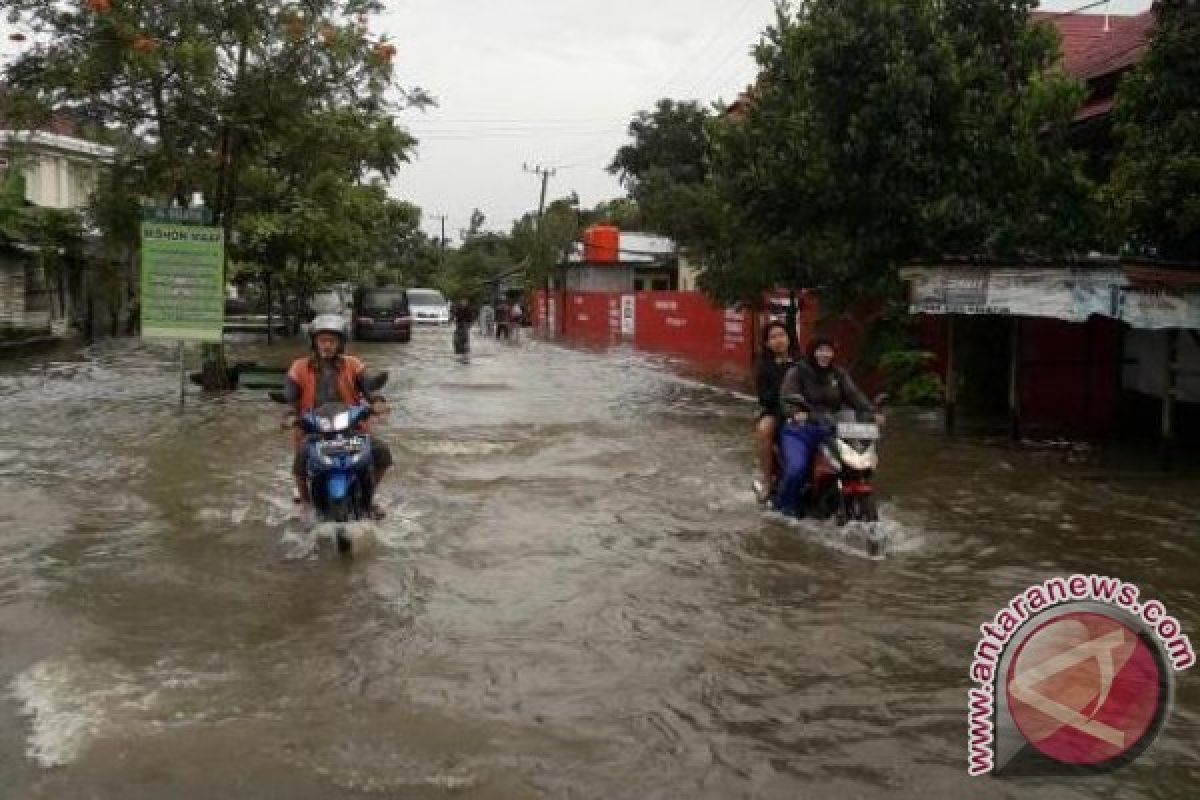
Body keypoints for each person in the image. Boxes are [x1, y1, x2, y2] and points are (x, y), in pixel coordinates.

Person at [283, 314, 393, 519]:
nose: (326, 345)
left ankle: (368, 499)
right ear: (314, 342)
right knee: (300, 461)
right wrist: (290, 415)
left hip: (351, 429)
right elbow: (291, 398)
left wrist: (377, 402)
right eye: (322, 340)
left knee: (382, 453)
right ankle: (306, 503)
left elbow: (368, 387)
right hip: (315, 430)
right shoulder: (299, 367)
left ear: (341, 343)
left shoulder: (353, 364)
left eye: (332, 341)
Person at [774, 336, 883, 516]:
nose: (825, 354)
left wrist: (872, 412)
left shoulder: (838, 374)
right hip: (801, 430)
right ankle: (786, 509)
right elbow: (787, 397)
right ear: (813, 352)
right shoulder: (798, 372)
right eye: (820, 350)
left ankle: (836, 497)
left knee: (854, 463)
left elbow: (855, 395)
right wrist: (795, 412)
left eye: (828, 350)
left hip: (831, 427)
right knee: (796, 469)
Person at [752, 321, 795, 505]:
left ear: (789, 338)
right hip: (775, 411)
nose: (779, 340)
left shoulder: (801, 362)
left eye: (782, 335)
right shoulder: (764, 367)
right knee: (764, 429)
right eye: (773, 337)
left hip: (802, 411)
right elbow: (765, 398)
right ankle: (767, 481)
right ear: (767, 343)